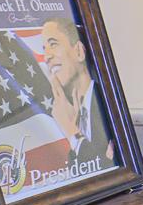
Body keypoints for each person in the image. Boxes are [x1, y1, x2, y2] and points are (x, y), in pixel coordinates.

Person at [41, 18, 112, 168]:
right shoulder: (72, 112)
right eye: (44, 49)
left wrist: (73, 133)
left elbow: (106, 166)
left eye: (53, 44)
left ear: (79, 51)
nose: (46, 57)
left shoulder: (108, 104)